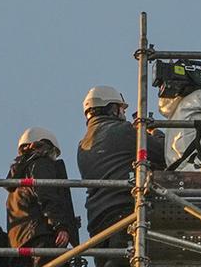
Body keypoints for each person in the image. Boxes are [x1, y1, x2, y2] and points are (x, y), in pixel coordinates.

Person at [77, 85, 136, 267]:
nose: (123, 114)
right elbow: (160, 150)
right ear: (111, 108)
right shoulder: (123, 131)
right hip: (124, 214)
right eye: (120, 108)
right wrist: (153, 132)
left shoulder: (82, 145)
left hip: (97, 222)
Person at [5, 128, 80, 266]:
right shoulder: (41, 164)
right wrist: (60, 225)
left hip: (18, 246)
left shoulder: (15, 184)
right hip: (42, 237)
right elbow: (46, 195)